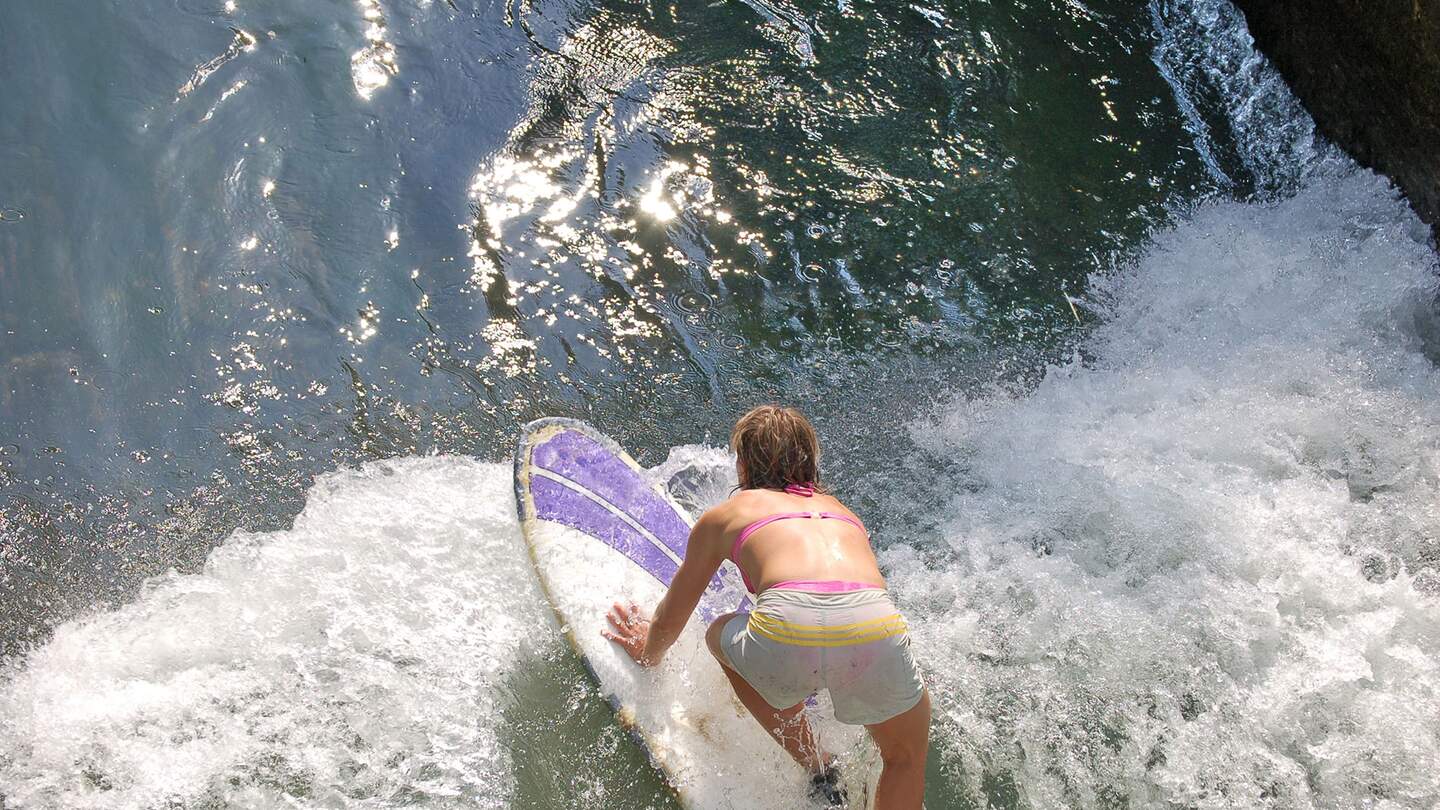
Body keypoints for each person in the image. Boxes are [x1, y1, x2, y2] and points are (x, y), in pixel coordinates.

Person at [602, 405, 930, 810]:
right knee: (904, 759)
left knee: (718, 633)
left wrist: (648, 653)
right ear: (811, 462)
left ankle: (818, 765)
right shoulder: (844, 514)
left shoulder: (729, 514)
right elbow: (843, 604)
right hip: (875, 629)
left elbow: (673, 613)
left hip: (787, 631)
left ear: (742, 468)